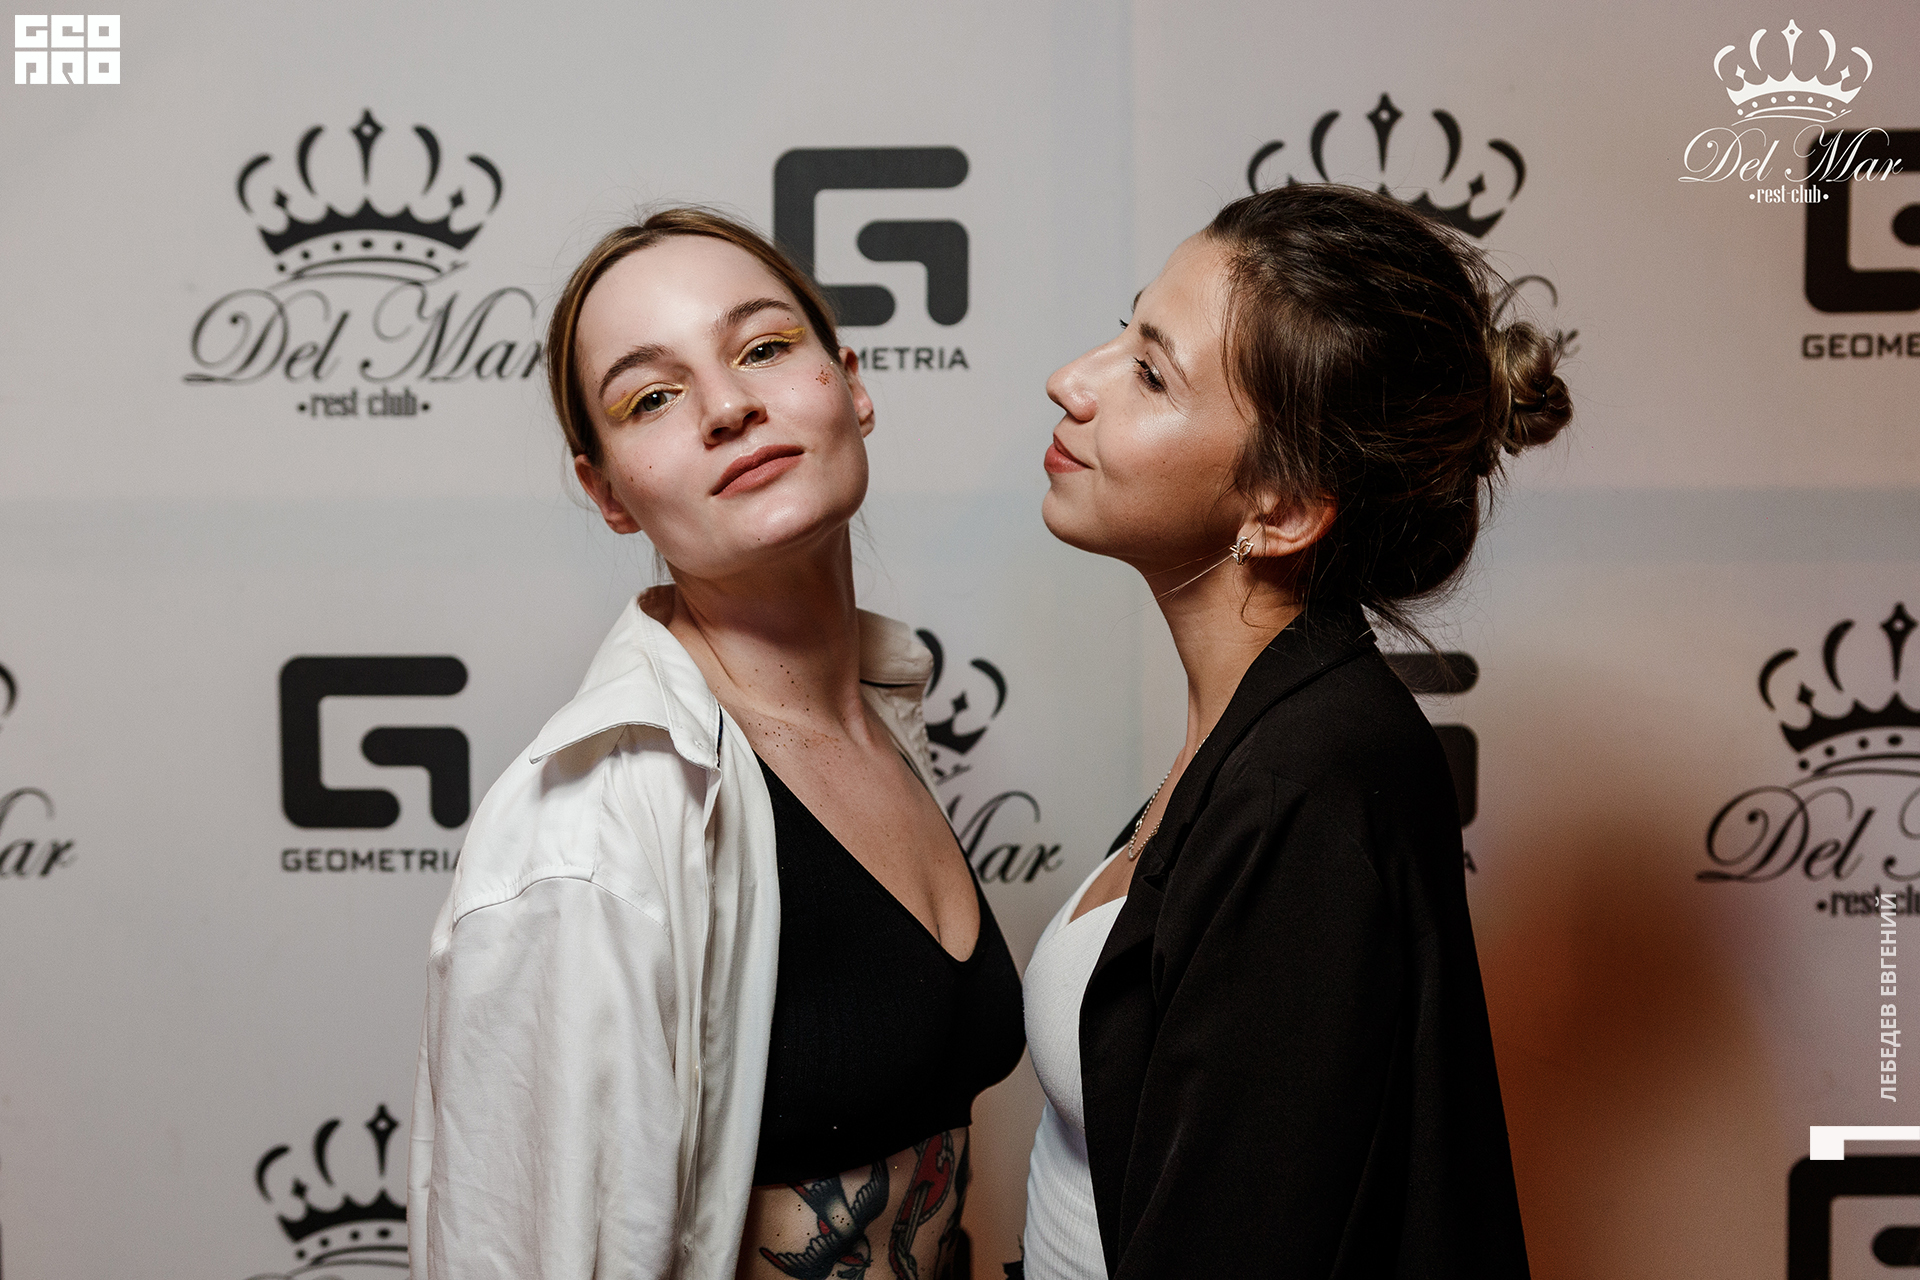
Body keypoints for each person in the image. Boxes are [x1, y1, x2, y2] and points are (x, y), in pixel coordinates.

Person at [408, 208, 1025, 1280]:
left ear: (853, 385)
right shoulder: (593, 822)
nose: (729, 405)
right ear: (607, 492)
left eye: (765, 347)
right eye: (651, 397)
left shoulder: (880, 714)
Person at [1022, 183, 1566, 1279]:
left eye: (1150, 372)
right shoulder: (1270, 730)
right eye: (1125, 330)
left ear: (1279, 508)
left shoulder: (1305, 784)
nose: (1071, 380)